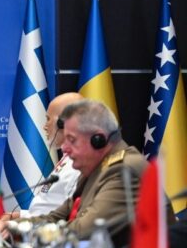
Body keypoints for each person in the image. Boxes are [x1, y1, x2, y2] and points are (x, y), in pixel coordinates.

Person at [30, 100, 148, 240]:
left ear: (98, 140)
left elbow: (82, 231)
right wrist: (12, 227)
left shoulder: (123, 170)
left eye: (72, 140)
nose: (64, 148)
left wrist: (27, 233)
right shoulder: (95, 169)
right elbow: (54, 217)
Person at [25, 92, 83, 217]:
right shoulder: (67, 158)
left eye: (48, 119)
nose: (45, 127)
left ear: (63, 123)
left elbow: (63, 216)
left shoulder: (77, 164)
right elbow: (51, 205)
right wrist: (18, 216)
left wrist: (17, 223)